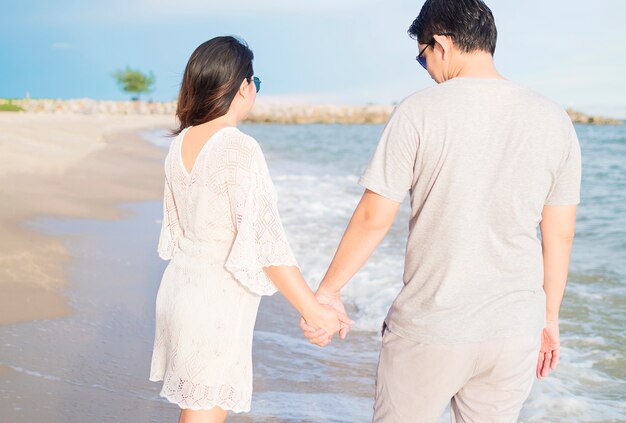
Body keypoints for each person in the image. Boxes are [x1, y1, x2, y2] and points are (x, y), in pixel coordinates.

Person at [301, 0, 581, 421]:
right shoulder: (554, 120)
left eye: (422, 56)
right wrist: (550, 319)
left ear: (443, 44)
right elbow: (559, 235)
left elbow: (374, 216)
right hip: (514, 331)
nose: (427, 68)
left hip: (432, 327)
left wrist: (327, 292)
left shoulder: (418, 112)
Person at [148, 36, 353, 423]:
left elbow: (183, 232)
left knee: (196, 409)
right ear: (241, 85)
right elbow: (265, 245)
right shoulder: (238, 148)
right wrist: (315, 311)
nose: (254, 91)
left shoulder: (179, 146)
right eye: (254, 83)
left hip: (180, 290)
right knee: (204, 412)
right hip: (214, 304)